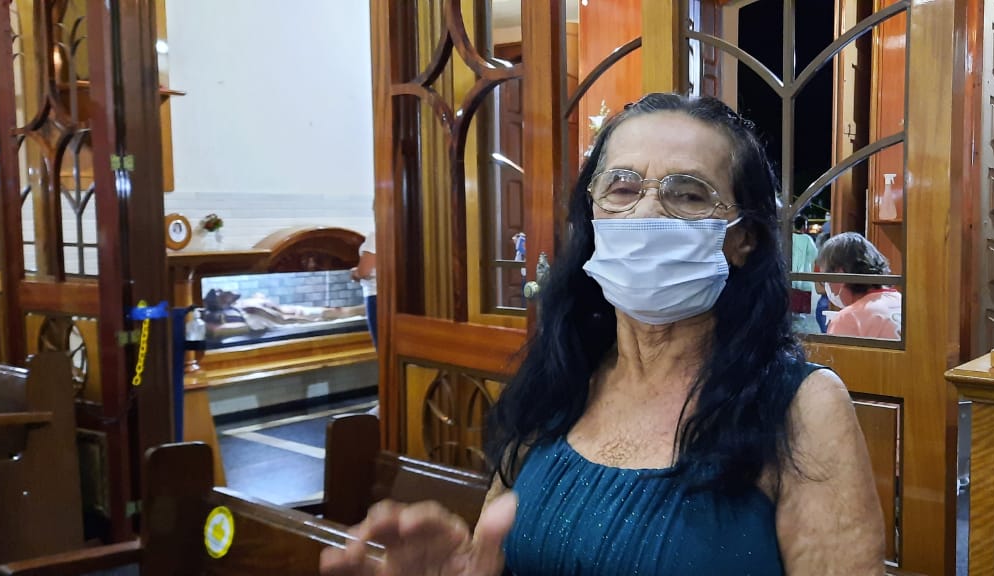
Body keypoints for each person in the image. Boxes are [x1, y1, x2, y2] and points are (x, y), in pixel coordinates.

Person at [321, 94, 884, 575]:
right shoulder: (561, 377)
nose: (647, 214)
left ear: (744, 238)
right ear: (591, 215)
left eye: (688, 194)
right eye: (621, 188)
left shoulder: (801, 407)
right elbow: (492, 551)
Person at [819, 232, 902, 340]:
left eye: (826, 278)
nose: (827, 286)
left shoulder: (849, 319)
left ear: (840, 273)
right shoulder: (901, 301)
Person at [351, 230, 379, 417]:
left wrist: (354, 273)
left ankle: (386, 403)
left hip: (375, 297)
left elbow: (364, 271)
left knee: (382, 350)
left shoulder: (376, 236)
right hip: (393, 297)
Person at [790, 215, 820, 333]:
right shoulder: (807, 239)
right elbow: (814, 254)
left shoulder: (789, 236)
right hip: (802, 269)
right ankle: (799, 312)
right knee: (801, 289)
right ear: (804, 226)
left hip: (790, 267)